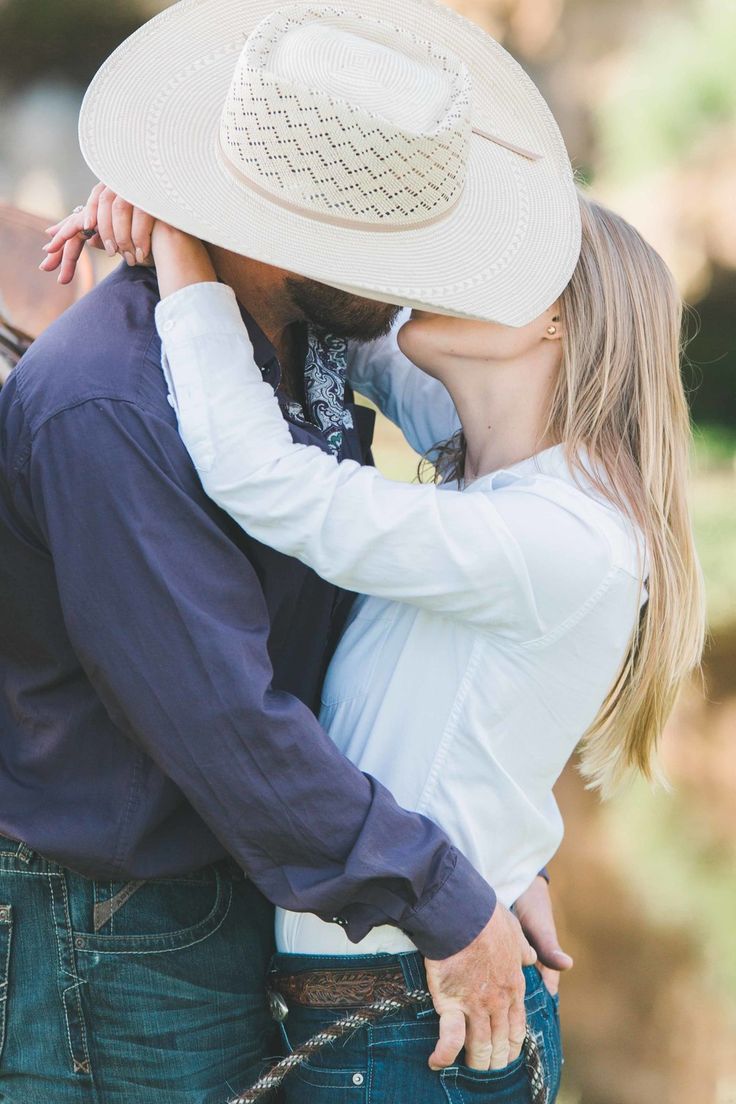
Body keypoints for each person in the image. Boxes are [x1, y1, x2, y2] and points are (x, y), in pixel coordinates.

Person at [1, 2, 580, 1100]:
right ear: (266, 224)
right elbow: (223, 715)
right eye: (377, 239)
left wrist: (492, 854)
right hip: (112, 935)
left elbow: (362, 650)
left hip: (210, 895)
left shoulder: (302, 348)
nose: (413, 274)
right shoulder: (113, 406)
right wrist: (445, 897)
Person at [52, 187, 704, 1104]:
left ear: (550, 317)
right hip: (380, 1005)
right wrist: (186, 190)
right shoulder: (501, 461)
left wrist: (181, 250)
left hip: (402, 1025)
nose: (428, 281)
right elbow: (343, 324)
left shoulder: (558, 535)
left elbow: (267, 480)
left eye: (475, 266)